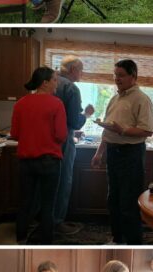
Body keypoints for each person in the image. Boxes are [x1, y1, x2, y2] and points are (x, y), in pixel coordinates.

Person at [91, 59, 153, 245]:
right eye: (115, 75)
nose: (116, 79)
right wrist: (99, 153)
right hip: (112, 152)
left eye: (121, 75)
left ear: (133, 76)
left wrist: (123, 130)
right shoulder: (115, 98)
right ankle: (117, 240)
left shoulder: (142, 99)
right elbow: (109, 130)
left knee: (129, 203)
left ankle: (134, 243)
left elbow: (148, 130)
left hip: (131, 154)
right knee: (113, 200)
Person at [12, 67, 67, 245]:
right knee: (47, 204)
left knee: (25, 202)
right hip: (49, 162)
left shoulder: (21, 103)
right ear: (45, 83)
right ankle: (44, 239)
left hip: (26, 162)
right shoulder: (56, 104)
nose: (56, 83)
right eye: (54, 80)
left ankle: (20, 238)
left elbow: (15, 134)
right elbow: (61, 135)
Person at [52, 56, 95, 235]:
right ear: (72, 70)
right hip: (63, 142)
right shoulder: (71, 88)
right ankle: (57, 223)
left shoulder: (50, 82)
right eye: (80, 69)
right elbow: (75, 122)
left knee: (48, 183)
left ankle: (45, 221)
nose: (82, 73)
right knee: (63, 182)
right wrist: (86, 114)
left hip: (46, 141)